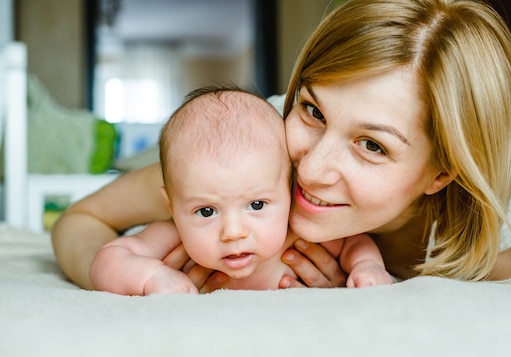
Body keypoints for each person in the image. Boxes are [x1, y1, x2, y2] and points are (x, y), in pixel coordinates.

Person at [52, 0, 511, 291]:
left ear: (441, 173)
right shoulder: (255, 144)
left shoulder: (504, 198)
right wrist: (139, 275)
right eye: (314, 111)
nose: (312, 169)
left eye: (372, 146)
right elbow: (81, 220)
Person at [89, 87, 393, 295]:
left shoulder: (297, 233)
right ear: (172, 207)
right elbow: (109, 258)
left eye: (257, 205)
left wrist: (367, 266)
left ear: (289, 191)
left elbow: (355, 243)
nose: (233, 232)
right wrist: (150, 278)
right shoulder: (175, 237)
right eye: (206, 211)